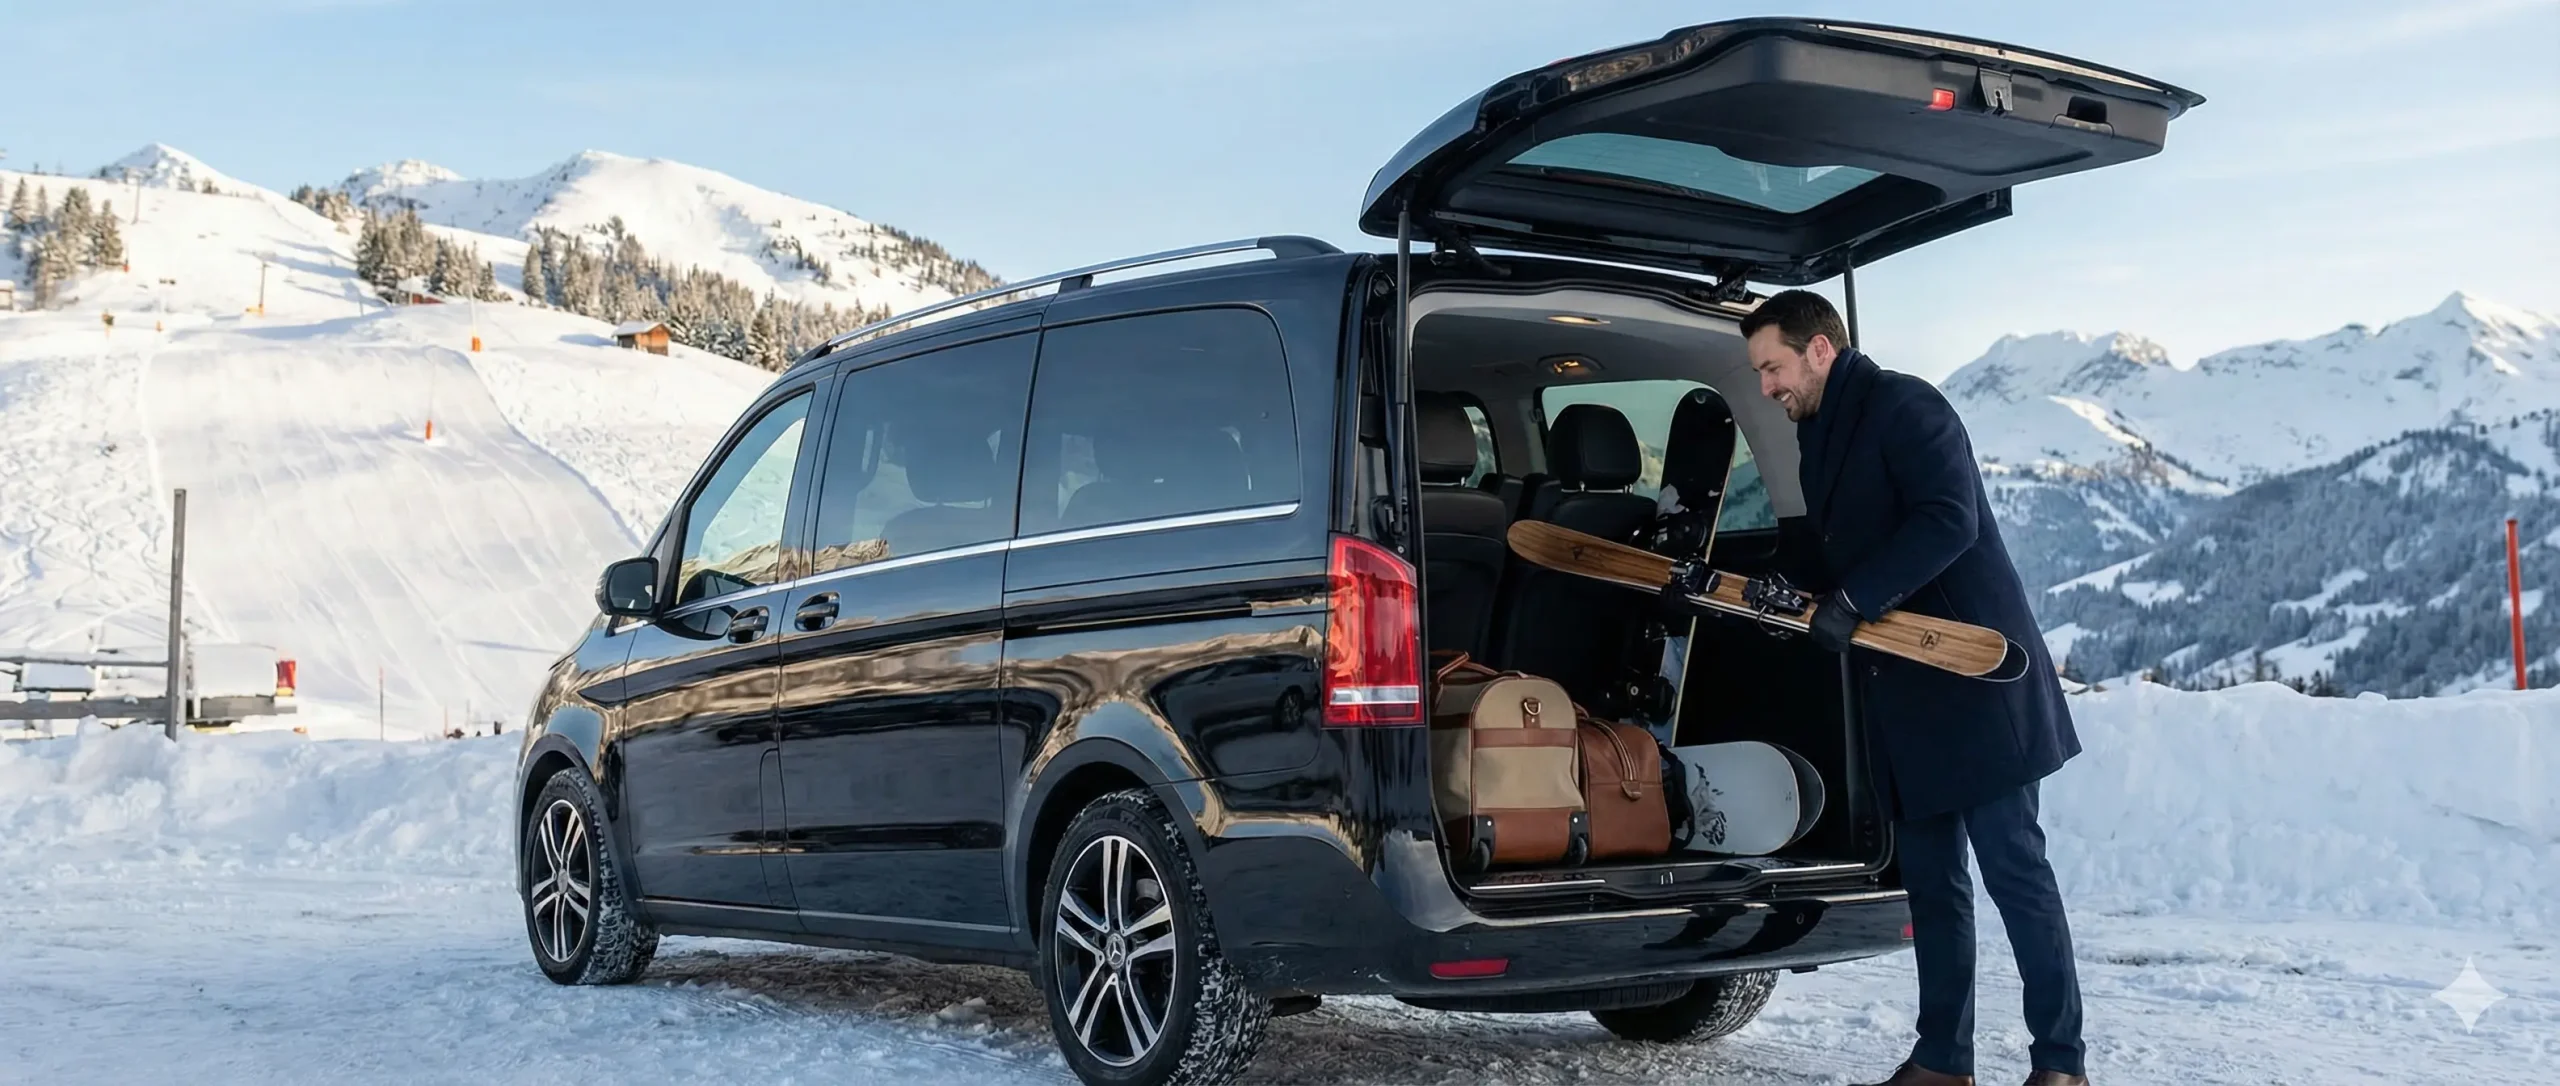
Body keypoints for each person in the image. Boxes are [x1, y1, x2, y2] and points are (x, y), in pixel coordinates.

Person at [1742, 290, 2088, 1086]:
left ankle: (2061, 1065)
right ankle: (1942, 1061)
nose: (1766, 386)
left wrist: (1854, 600)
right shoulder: (1818, 433)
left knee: (2015, 875)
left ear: (1820, 349)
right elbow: (1838, 545)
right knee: (1932, 886)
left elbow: (1948, 519)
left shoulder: (1907, 406)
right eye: (1758, 372)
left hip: (1975, 679)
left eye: (1772, 366)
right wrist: (1785, 586)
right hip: (1902, 690)